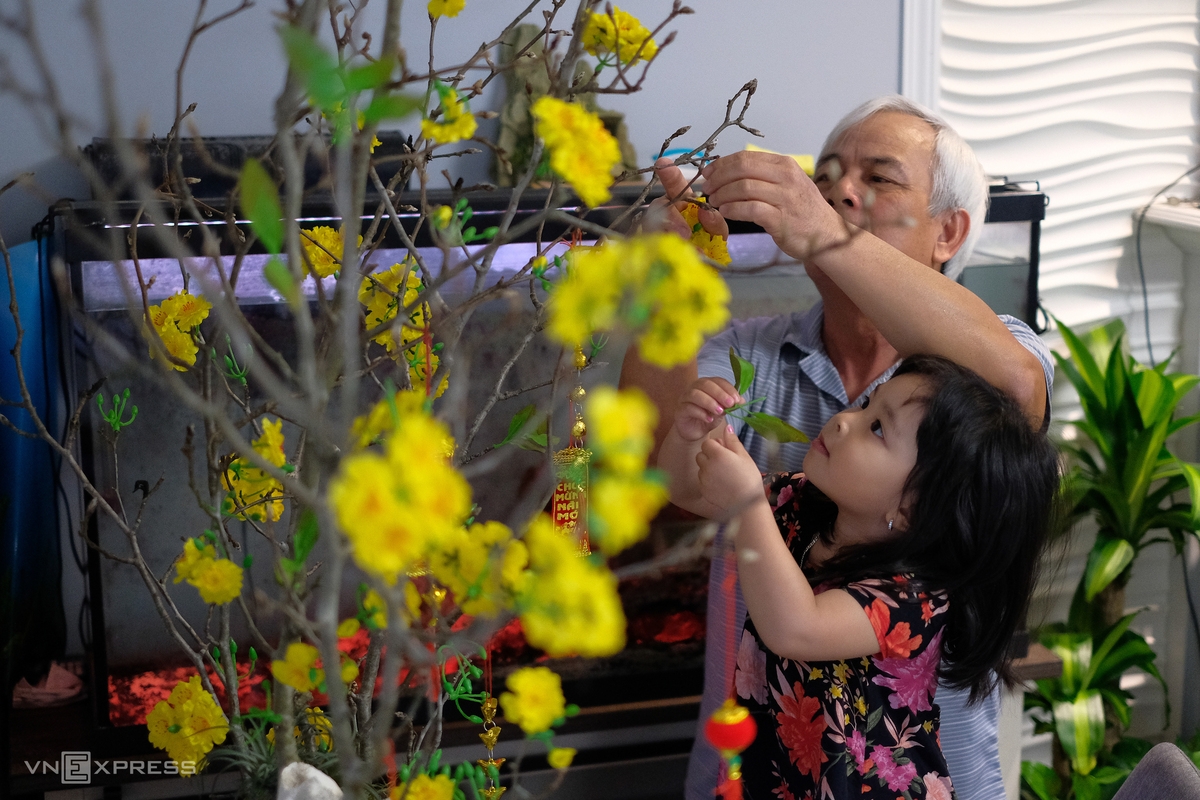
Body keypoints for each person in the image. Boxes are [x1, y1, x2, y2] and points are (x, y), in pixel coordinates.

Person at [619, 95, 1055, 800]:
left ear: (949, 232)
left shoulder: (979, 372)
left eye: (878, 179)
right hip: (754, 774)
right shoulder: (748, 354)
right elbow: (659, 466)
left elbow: (1015, 386)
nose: (840, 192)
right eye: (825, 179)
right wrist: (669, 260)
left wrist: (822, 228)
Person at [659, 354, 1059, 798]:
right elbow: (688, 490)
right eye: (867, 403)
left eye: (877, 428)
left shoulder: (914, 598)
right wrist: (693, 433)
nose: (845, 420)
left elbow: (797, 628)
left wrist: (750, 502)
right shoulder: (800, 504)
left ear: (910, 508)